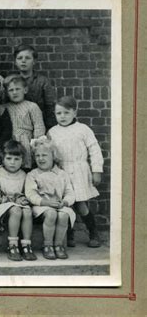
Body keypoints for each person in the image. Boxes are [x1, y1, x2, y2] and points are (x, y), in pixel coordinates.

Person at [48, 96, 104, 248]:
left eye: (66, 112)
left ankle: (93, 231)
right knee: (65, 205)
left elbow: (94, 150)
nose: (63, 116)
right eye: (59, 113)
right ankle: (69, 233)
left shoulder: (83, 129)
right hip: (61, 172)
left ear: (74, 112)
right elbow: (50, 153)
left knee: (80, 205)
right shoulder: (53, 132)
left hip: (79, 170)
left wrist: (97, 170)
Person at [25, 137, 76, 260]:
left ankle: (58, 245)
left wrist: (64, 202)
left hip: (60, 205)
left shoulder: (62, 174)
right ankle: (47, 245)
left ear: (53, 156)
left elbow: (70, 192)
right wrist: (46, 202)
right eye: (37, 156)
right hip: (41, 206)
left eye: (44, 155)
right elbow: (31, 194)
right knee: (51, 213)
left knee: (63, 215)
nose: (40, 158)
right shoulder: (33, 174)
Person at [0, 140, 37, 261]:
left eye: (17, 159)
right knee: (16, 210)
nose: (12, 162)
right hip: (2, 206)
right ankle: (12, 245)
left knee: (27, 211)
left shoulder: (24, 175)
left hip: (18, 204)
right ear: (3, 159)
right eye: (9, 158)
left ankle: (26, 245)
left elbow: (26, 193)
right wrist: (10, 200)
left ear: (22, 160)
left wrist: (23, 200)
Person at [4, 74, 46, 170]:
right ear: (7, 93)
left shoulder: (32, 106)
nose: (14, 92)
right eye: (11, 90)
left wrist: (35, 144)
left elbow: (39, 126)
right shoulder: (4, 108)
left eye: (17, 89)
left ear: (25, 90)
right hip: (9, 142)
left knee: (26, 166)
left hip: (26, 141)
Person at [13, 44, 57, 129]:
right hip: (17, 125)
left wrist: (49, 128)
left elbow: (50, 107)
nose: (23, 61)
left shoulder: (43, 81)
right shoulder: (11, 81)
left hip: (39, 124)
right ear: (15, 62)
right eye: (20, 58)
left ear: (34, 61)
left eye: (27, 58)